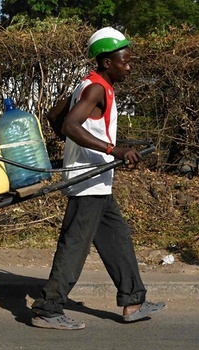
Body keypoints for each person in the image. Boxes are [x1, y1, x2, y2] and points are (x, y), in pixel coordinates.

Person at [31, 27, 165, 330]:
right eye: (124, 62)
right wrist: (111, 149)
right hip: (88, 180)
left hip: (97, 179)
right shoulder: (96, 89)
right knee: (75, 245)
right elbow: (69, 126)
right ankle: (48, 309)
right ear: (106, 62)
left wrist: (82, 148)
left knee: (117, 239)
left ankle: (134, 300)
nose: (128, 67)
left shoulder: (88, 84)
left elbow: (55, 117)